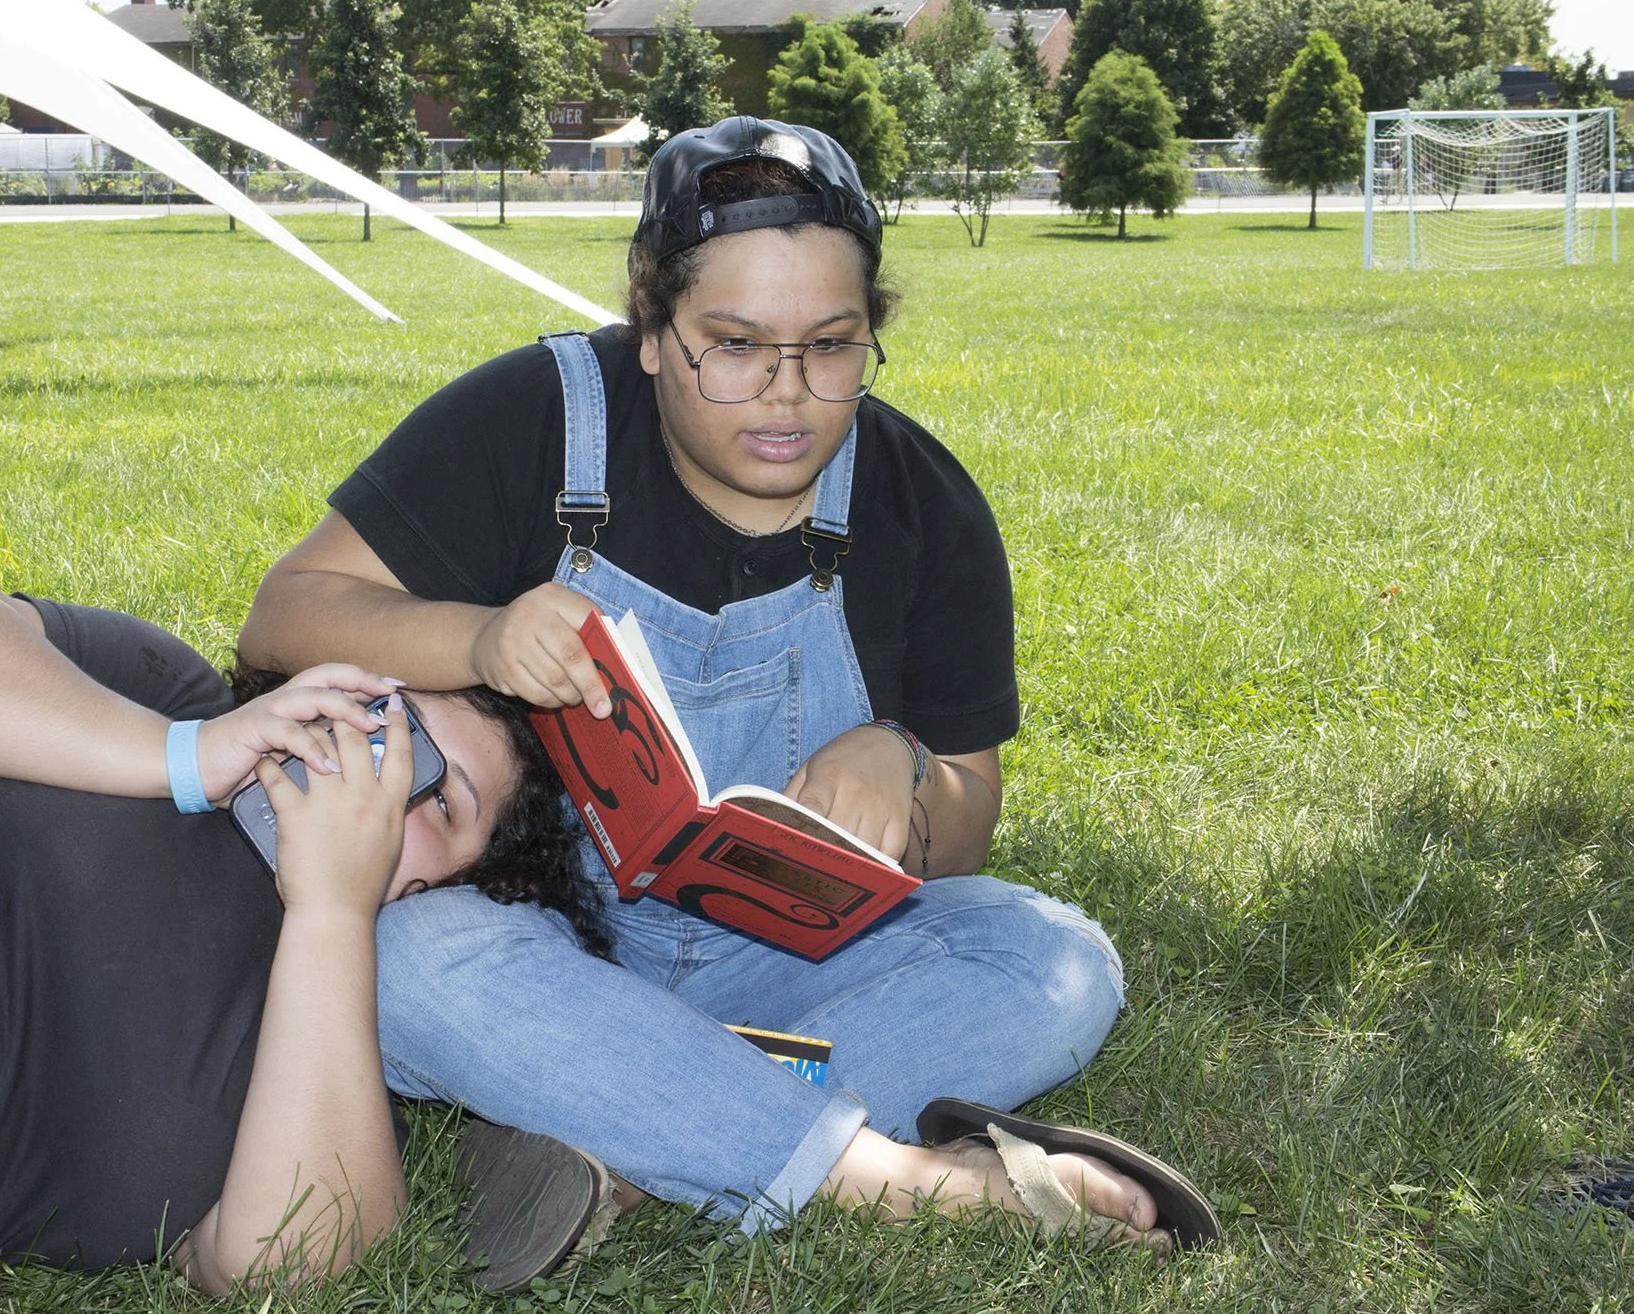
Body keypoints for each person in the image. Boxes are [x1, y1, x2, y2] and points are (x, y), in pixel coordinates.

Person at [239, 117, 1189, 1262]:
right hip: (539, 940)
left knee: (1056, 960)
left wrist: (899, 757)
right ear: (651, 324)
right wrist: (479, 635)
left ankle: (620, 1125)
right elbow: (286, 611)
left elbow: (968, 830)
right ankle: (895, 1181)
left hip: (784, 961)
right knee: (400, 959)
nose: (784, 398)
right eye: (732, 345)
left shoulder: (920, 503)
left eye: (830, 347)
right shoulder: (537, 418)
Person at [0, 577, 604, 1314]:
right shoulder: (162, 690)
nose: (387, 778)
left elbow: (291, 1268)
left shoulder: (322, 1044)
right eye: (399, 724)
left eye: (442, 803)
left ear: (434, 899)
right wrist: (182, 758)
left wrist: (329, 915)